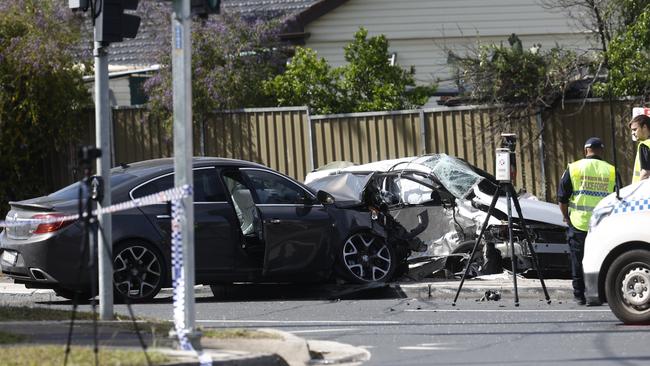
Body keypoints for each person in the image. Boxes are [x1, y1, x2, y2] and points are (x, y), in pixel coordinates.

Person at [557, 137, 616, 305]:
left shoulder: (574, 168)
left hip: (578, 222)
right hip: (603, 224)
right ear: (601, 150)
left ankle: (579, 295)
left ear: (585, 150)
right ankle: (599, 295)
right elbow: (618, 198)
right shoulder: (611, 170)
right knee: (603, 258)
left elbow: (562, 198)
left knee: (578, 259)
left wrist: (566, 216)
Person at [629, 114, 650, 183]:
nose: (632, 133)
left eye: (635, 130)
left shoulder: (644, 145)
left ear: (644, 127)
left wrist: (636, 191)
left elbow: (645, 173)